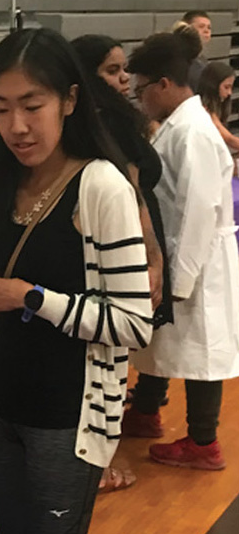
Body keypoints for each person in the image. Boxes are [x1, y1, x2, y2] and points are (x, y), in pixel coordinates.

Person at [0, 28, 153, 534]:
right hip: (3, 409)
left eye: (32, 106)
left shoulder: (100, 187)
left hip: (68, 420)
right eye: (2, 107)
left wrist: (35, 299)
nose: (17, 125)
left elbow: (133, 323)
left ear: (68, 100)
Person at [124, 33, 239, 469]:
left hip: (198, 256)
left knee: (199, 350)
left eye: (141, 90)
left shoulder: (192, 132)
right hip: (174, 251)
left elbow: (197, 209)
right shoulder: (177, 125)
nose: (140, 100)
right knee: (164, 339)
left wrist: (182, 277)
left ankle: (203, 442)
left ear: (165, 84)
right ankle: (147, 411)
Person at [72, 34, 175, 492]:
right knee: (106, 355)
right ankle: (94, 464)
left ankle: (95, 457)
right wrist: (151, 259)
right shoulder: (100, 120)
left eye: (124, 69)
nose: (124, 79)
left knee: (112, 356)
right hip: (119, 247)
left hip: (127, 242)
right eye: (112, 71)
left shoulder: (112, 117)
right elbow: (131, 190)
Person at [197, 60, 239, 159]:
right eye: (226, 87)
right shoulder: (204, 110)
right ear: (213, 85)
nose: (229, 93)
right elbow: (229, 139)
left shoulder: (214, 109)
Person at [182, 10, 212, 92]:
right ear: (188, 29)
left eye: (209, 27)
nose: (206, 31)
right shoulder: (182, 59)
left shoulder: (202, 60)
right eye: (201, 26)